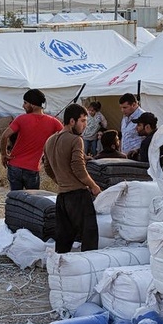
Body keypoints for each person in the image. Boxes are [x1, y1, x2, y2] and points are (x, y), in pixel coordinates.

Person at [43, 103, 101, 253]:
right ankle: (89, 268)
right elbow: (78, 168)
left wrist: (61, 181)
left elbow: (48, 168)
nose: (85, 125)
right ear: (72, 121)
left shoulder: (49, 140)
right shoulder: (76, 140)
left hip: (62, 196)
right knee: (89, 235)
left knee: (63, 238)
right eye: (82, 121)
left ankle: (60, 268)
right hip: (78, 195)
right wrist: (93, 186)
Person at [0, 89, 63, 191]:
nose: (23, 106)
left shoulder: (21, 119)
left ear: (32, 105)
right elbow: (65, 136)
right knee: (32, 202)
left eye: (25, 103)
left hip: (14, 166)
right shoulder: (54, 122)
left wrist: (4, 154)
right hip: (32, 168)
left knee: (16, 199)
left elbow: (4, 136)